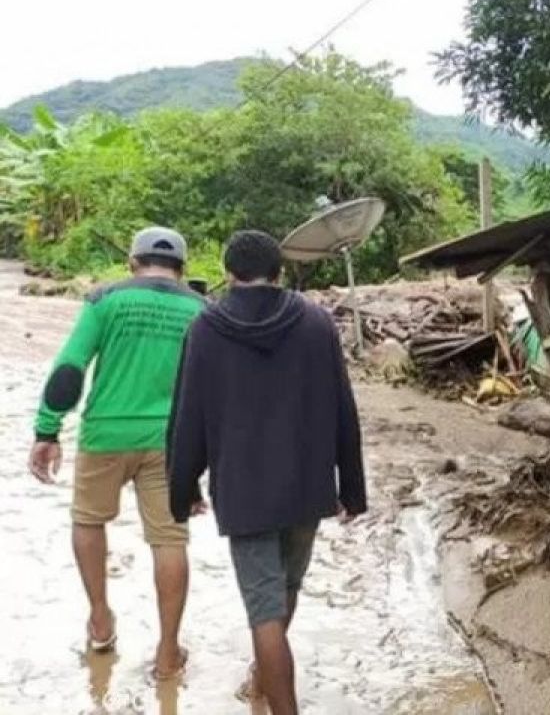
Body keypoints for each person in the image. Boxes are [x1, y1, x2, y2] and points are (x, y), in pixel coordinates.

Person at [168, 229, 366, 714]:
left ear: (227, 272)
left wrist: (183, 488)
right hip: (306, 486)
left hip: (245, 491)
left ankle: (278, 701)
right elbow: (344, 408)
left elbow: (187, 416)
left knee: (264, 610)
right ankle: (261, 684)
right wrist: (352, 489)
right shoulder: (317, 323)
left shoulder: (207, 328)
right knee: (283, 594)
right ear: (279, 271)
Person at [27, 226, 204, 678]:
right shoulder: (200, 310)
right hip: (169, 441)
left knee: (88, 521)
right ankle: (167, 653)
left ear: (133, 261)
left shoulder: (105, 301)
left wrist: (47, 430)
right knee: (169, 540)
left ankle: (101, 621)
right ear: (182, 269)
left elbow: (70, 367)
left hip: (105, 434)